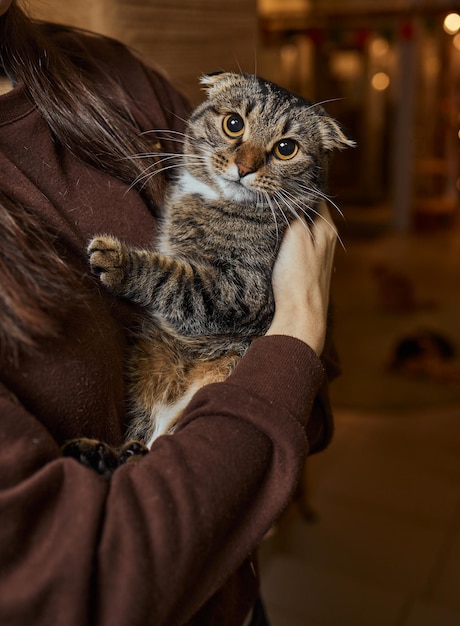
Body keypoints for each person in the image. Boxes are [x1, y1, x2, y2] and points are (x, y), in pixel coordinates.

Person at [0, 2, 340, 625]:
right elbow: (76, 586)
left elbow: (314, 379)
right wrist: (294, 334)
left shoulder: (115, 76)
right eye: (236, 127)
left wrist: (288, 377)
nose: (247, 159)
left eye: (283, 149)